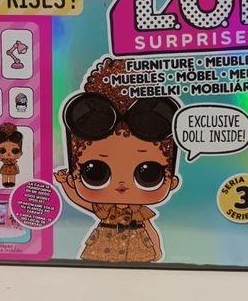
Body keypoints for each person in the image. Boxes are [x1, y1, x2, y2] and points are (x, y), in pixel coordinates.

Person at [54, 58, 181, 262]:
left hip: (137, 249)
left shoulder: (139, 212)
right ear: (73, 176)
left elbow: (149, 228)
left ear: (172, 181)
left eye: (148, 174)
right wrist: (64, 186)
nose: (122, 185)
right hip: (103, 249)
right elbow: (80, 200)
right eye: (95, 173)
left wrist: (158, 251)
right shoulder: (105, 209)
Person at [0, 122, 23, 188]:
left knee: (12, 175)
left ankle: (12, 182)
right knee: (4, 175)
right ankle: (5, 182)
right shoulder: (3, 159)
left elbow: (18, 155)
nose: (8, 154)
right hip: (5, 167)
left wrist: (19, 154)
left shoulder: (14, 158)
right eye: (2, 150)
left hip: (12, 167)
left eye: (14, 151)